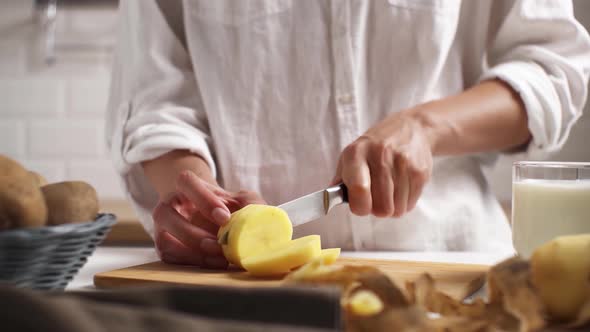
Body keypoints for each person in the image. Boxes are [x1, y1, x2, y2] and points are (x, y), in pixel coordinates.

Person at [106, 0, 590, 268]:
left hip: (453, 268)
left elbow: (555, 69)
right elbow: (154, 98)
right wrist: (191, 192)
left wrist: (426, 126)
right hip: (241, 289)